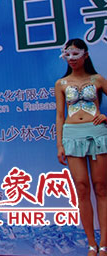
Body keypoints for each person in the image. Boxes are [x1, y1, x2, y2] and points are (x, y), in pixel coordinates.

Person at [55, 38, 107, 256]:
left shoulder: (98, 79)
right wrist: (59, 144)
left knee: (101, 187)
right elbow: (60, 115)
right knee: (82, 188)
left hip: (97, 134)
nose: (72, 59)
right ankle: (91, 243)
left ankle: (104, 244)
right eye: (68, 55)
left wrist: (105, 117)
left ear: (86, 55)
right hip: (72, 135)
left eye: (76, 54)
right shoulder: (61, 83)